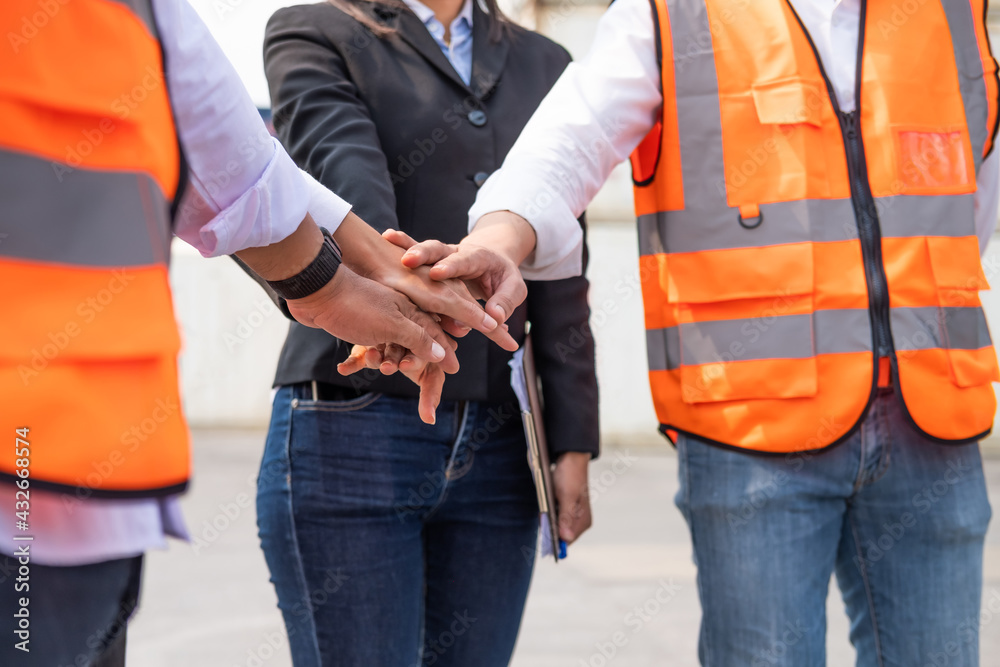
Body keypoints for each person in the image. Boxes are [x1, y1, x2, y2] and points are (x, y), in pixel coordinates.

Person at [392, 0, 1000, 665]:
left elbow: (971, 192)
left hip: (932, 421)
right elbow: (567, 145)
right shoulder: (675, 13)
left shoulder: (952, 13)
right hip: (754, 430)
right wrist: (499, 241)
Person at [0, 0, 509, 663]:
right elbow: (242, 172)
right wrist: (350, 286)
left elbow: (243, 171)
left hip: (62, 473)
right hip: (55, 463)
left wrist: (372, 273)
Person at [253, 0, 598, 664]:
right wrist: (402, 289)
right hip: (352, 424)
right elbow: (343, 178)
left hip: (501, 443)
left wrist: (572, 440)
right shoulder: (314, 30)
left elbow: (563, 262)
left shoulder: (546, 62)